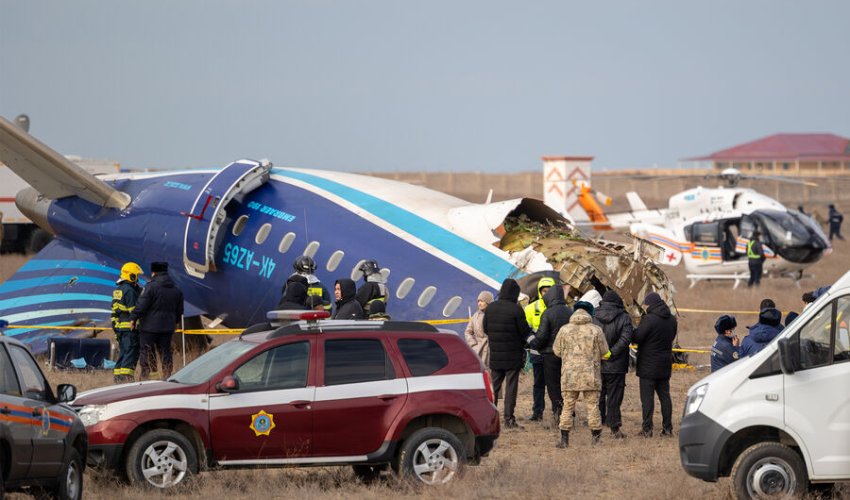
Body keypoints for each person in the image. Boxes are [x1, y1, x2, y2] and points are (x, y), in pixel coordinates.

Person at [552, 303, 609, 448]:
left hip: (569, 375)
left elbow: (556, 351)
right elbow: (604, 351)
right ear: (590, 313)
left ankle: (564, 440)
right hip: (591, 375)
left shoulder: (564, 330)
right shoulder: (596, 330)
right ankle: (596, 440)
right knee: (592, 406)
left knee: (568, 406)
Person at [483, 278, 531, 429]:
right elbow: (524, 332)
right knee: (511, 387)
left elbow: (485, 329)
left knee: (494, 388)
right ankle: (509, 419)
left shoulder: (491, 308)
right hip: (513, 356)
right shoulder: (516, 309)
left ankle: (490, 418)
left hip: (496, 356)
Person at [633, 292, 677, 438]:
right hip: (664, 364)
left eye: (645, 305)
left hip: (648, 365)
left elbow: (638, 338)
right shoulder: (672, 319)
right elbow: (671, 338)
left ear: (650, 304)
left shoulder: (649, 319)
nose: (644, 307)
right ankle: (667, 428)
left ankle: (647, 429)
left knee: (647, 398)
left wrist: (633, 330)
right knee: (665, 397)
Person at [130, 262, 184, 380]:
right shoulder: (176, 289)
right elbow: (180, 311)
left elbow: (141, 305)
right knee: (166, 353)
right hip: (167, 328)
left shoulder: (150, 287)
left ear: (153, 272)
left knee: (147, 351)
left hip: (149, 328)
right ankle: (167, 376)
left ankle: (146, 376)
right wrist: (175, 322)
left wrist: (133, 318)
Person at [529, 284, 572, 424]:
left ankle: (558, 413)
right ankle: (570, 412)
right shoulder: (569, 311)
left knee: (553, 386)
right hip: (568, 356)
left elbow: (541, 337)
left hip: (550, 355)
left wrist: (532, 344)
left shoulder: (547, 313)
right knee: (567, 386)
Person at [595, 290, 634, 438]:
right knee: (614, 396)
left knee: (599, 394)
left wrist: (600, 353)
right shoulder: (624, 317)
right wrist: (611, 353)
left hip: (598, 362)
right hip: (616, 365)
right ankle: (614, 427)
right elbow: (626, 338)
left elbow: (592, 337)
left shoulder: (594, 316)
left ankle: (597, 423)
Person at [524, 277, 556, 421]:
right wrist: (533, 342)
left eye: (549, 291)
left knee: (555, 384)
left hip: (553, 353)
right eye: (544, 291)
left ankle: (557, 410)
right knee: (538, 384)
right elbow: (526, 329)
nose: (546, 294)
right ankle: (537, 412)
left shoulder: (557, 309)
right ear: (539, 291)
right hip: (537, 353)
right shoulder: (531, 308)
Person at [112, 262, 143, 383]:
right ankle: (126, 380)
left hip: (120, 328)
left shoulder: (118, 290)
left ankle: (118, 379)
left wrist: (116, 331)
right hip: (130, 329)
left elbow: (114, 313)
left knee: (123, 354)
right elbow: (134, 311)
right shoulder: (130, 291)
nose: (137, 279)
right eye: (136, 276)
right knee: (131, 354)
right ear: (131, 276)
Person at [464, 291, 493, 368]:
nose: (479, 303)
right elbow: (468, 332)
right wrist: (473, 344)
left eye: (482, 301)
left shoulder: (495, 315)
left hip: (493, 352)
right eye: (478, 301)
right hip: (479, 351)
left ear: (488, 302)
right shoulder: (475, 316)